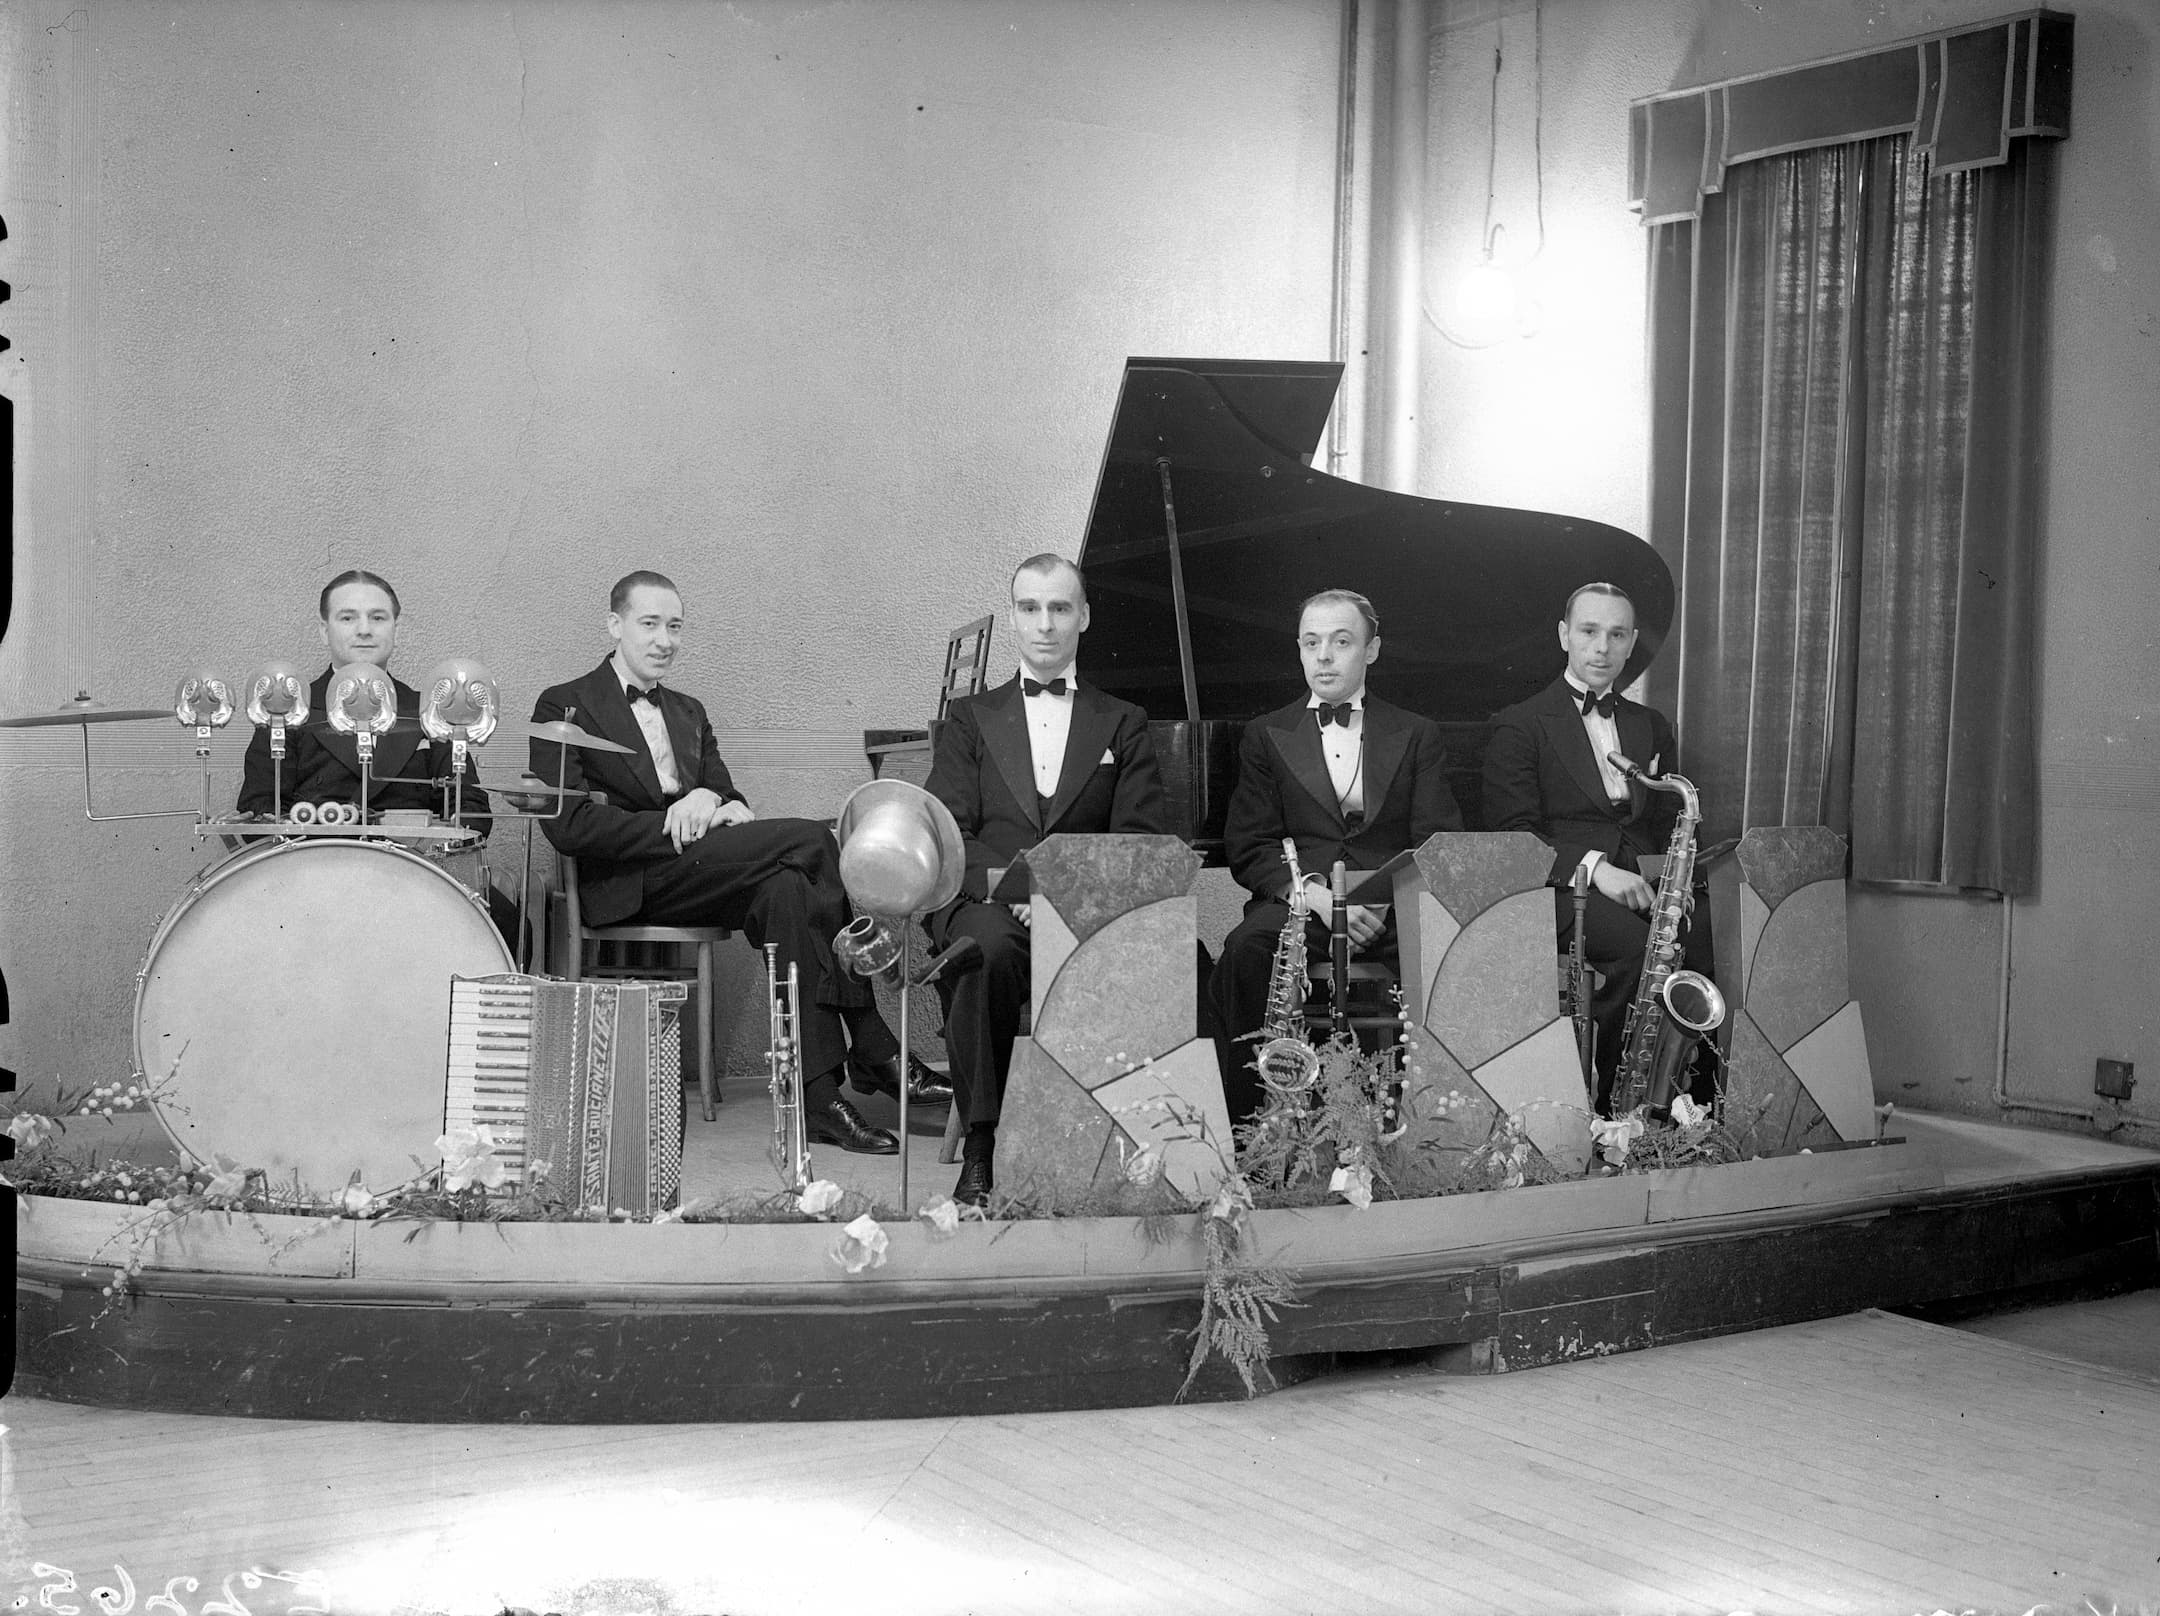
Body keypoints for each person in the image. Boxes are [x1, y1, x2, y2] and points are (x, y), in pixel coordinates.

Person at [529, 570, 938, 1155]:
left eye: (675, 627)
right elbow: (567, 826)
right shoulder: (565, 703)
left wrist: (707, 797)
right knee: (815, 843)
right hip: (633, 880)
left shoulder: (690, 711)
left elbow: (733, 802)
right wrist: (671, 823)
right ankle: (872, 1042)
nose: (664, 640)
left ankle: (817, 1096)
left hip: (702, 874)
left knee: (791, 891)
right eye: (649, 624)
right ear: (614, 625)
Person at [924, 553, 1171, 1205]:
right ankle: (983, 1147)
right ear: (1012, 619)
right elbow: (946, 830)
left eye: (1060, 607)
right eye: (1030, 608)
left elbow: (1139, 840)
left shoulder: (1123, 721)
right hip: (988, 899)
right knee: (986, 952)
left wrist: (1062, 892)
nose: (1045, 623)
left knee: (1186, 957)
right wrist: (1017, 887)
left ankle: (1155, 1148)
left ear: (1083, 617)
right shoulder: (970, 717)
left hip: (1085, 905)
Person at [1208, 589, 1463, 1129]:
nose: (1323, 656)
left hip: (1393, 911)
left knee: (1455, 950)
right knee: (1245, 950)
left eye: (1341, 641)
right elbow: (1249, 847)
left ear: (1371, 650)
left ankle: (1429, 1126)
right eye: (1311, 642)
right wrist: (1317, 899)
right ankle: (1251, 1131)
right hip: (1305, 906)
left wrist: (1395, 906)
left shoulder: (1417, 733)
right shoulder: (1265, 735)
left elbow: (1439, 843)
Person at [1481, 580, 1714, 1115]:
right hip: (1563, 887)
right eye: (1588, 632)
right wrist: (1596, 870)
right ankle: (1618, 1112)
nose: (1601, 647)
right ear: (1564, 635)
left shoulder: (1648, 725)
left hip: (1642, 882)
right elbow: (1514, 833)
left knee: (1705, 946)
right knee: (1636, 951)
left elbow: (1660, 821)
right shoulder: (1517, 724)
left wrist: (1670, 879)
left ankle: (1692, 1113)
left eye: (1616, 635)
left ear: (1632, 643)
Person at [237, 570, 491, 828]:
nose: (364, 630)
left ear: (396, 629)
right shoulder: (286, 711)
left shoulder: (430, 712)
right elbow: (258, 809)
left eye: (377, 618)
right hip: (311, 863)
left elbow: (469, 807)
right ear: (324, 631)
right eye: (348, 618)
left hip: (410, 863)